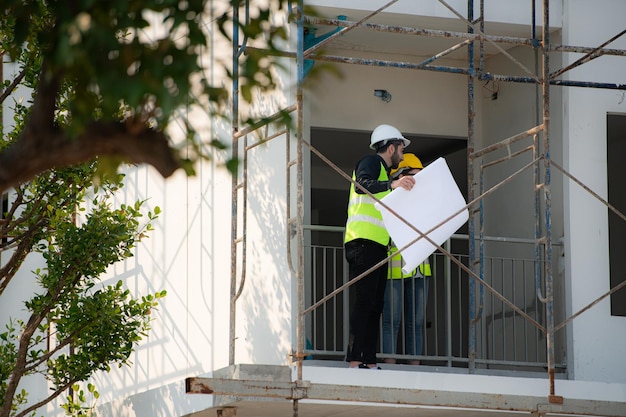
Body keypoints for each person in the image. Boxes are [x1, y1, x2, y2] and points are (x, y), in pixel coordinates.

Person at [344, 124, 415, 369]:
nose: (402, 154)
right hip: (363, 242)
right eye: (401, 149)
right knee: (365, 302)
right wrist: (393, 185)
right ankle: (355, 359)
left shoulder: (385, 175)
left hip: (376, 246)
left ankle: (368, 360)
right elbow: (361, 184)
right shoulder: (371, 162)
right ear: (391, 147)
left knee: (375, 305)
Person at [381, 153, 432, 366]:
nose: (417, 181)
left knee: (417, 322)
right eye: (413, 176)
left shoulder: (425, 201)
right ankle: (391, 365)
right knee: (391, 321)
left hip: (420, 267)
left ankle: (415, 368)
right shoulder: (389, 198)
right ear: (401, 175)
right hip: (395, 266)